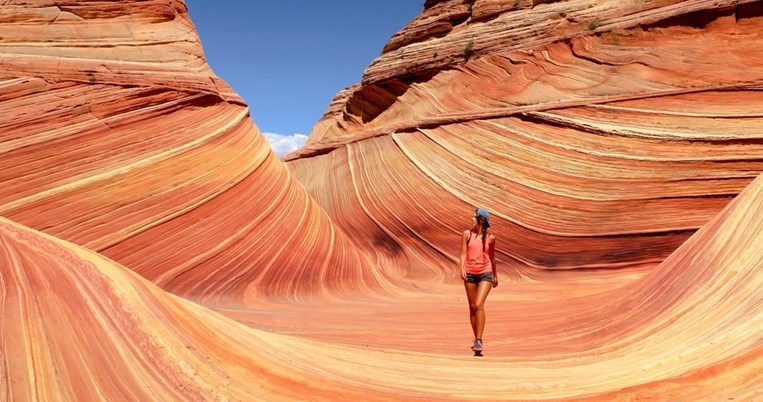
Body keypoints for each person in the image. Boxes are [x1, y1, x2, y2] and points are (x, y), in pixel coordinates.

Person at [460, 207, 498, 353]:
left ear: (481, 219)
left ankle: (479, 340)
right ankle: (476, 339)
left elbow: (492, 258)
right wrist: (462, 268)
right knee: (472, 307)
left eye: (474, 217)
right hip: (470, 273)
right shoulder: (467, 234)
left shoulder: (490, 238)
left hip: (485, 273)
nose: (472, 219)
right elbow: (463, 253)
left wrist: (495, 275)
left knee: (478, 304)